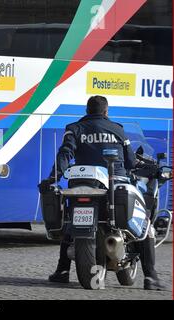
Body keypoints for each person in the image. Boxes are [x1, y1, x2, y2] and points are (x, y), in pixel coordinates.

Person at [39, 95, 165, 290]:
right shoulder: (118, 130)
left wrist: (52, 178)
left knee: (71, 224)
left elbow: (65, 153)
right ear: (106, 111)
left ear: (87, 111)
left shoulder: (74, 129)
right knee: (146, 225)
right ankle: (151, 277)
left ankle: (62, 271)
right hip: (114, 185)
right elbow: (131, 163)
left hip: (82, 184)